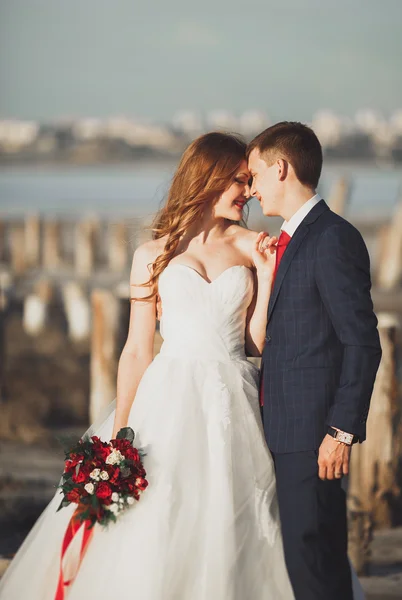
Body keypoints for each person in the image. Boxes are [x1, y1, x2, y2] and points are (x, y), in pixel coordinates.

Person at [0, 132, 295, 599]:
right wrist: (121, 432)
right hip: (168, 396)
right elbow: (137, 349)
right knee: (159, 513)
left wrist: (265, 273)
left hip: (233, 396)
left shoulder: (252, 246)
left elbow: (257, 344)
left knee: (234, 510)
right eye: (239, 181)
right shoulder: (152, 255)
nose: (249, 191)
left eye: (249, 180)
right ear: (208, 179)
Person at [248, 121, 382, 600]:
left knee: (314, 564)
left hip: (314, 437)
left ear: (280, 168)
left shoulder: (331, 238)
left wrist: (340, 432)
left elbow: (362, 342)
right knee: (307, 562)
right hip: (284, 432)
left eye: (255, 175)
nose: (251, 188)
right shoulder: (286, 241)